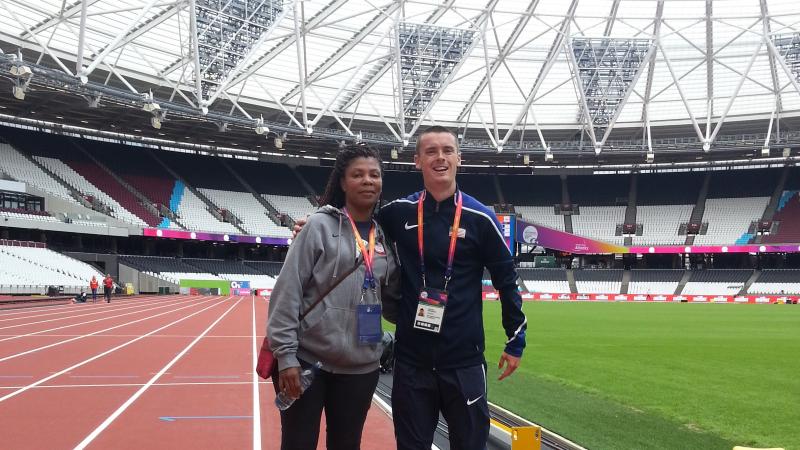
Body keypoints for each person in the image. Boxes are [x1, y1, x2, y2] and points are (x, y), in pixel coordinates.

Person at [295, 126, 527, 450]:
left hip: (464, 362)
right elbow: (353, 219)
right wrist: (316, 220)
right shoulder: (398, 213)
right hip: (412, 363)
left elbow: (506, 280)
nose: (440, 157)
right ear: (417, 161)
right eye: (431, 151)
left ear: (459, 158)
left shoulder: (481, 218)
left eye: (447, 150)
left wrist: (515, 341)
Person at [267, 144, 400, 450]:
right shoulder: (318, 226)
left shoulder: (384, 238)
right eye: (358, 174)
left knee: (347, 444)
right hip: (307, 361)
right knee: (298, 444)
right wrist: (286, 358)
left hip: (361, 368)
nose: (368, 180)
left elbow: (393, 301)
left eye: (374, 175)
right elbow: (287, 292)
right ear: (343, 182)